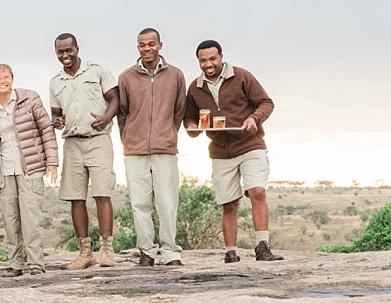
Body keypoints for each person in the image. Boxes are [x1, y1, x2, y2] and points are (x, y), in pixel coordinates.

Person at [184, 40, 284, 263]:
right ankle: (230, 252)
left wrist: (254, 118)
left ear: (221, 57)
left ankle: (262, 247)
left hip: (250, 144)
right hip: (220, 151)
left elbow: (266, 103)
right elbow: (190, 117)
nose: (208, 64)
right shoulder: (195, 87)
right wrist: (191, 127)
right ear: (198, 61)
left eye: (212, 59)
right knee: (229, 203)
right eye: (203, 60)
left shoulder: (241, 76)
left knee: (257, 191)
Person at [117, 28, 187, 267]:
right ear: (137, 47)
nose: (146, 49)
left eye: (151, 44)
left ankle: (171, 253)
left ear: (160, 45)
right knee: (140, 204)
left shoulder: (176, 75)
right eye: (142, 45)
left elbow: (179, 111)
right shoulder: (126, 77)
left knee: (167, 204)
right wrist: (128, 139)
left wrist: (168, 134)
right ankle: (146, 252)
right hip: (134, 150)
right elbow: (123, 114)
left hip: (165, 149)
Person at [49, 33, 120, 269]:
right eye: (60, 51)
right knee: (75, 197)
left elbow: (114, 98)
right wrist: (56, 121)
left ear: (77, 48)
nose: (65, 55)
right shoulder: (55, 82)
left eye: (69, 50)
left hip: (98, 139)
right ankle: (85, 252)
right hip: (72, 143)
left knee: (102, 193)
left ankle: (107, 251)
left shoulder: (97, 70)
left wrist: (106, 118)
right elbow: (56, 113)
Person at [0, 64, 58, 277]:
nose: (2, 80)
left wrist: (52, 161)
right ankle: (15, 264)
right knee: (10, 220)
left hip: (31, 167)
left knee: (30, 219)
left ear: (12, 78)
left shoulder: (29, 99)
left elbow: (46, 128)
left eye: (6, 76)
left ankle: (36, 264)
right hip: (5, 169)